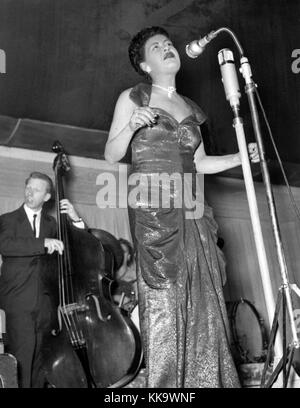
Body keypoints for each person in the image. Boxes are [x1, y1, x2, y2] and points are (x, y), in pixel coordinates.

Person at [104, 26, 259, 388]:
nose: (167, 48)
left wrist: (240, 157)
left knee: (205, 296)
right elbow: (111, 154)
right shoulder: (133, 96)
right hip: (154, 204)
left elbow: (200, 162)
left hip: (192, 202)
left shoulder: (190, 108)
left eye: (169, 43)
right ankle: (166, 388)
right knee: (166, 298)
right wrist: (130, 125)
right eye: (157, 47)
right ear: (145, 65)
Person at [0, 172, 85, 388]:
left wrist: (75, 219)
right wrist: (42, 243)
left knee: (41, 362)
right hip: (19, 301)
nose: (29, 192)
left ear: (47, 197)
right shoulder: (8, 219)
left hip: (46, 304)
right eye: (28, 187)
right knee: (20, 361)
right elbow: (6, 246)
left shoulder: (52, 223)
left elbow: (77, 247)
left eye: (36, 189)